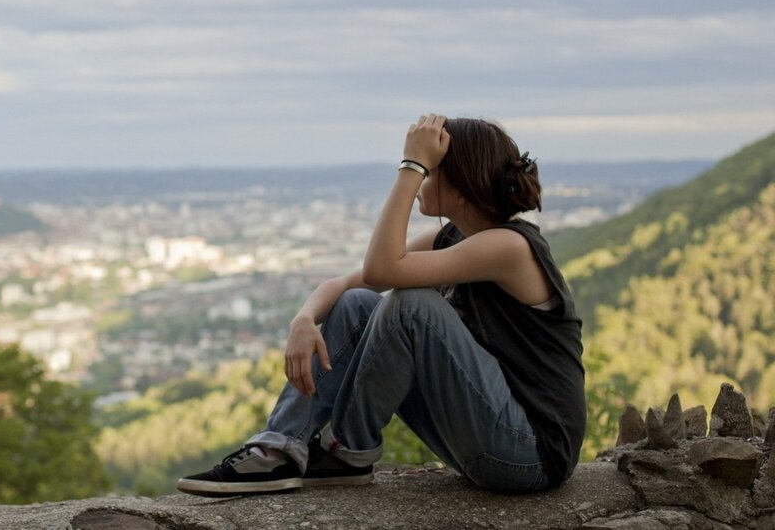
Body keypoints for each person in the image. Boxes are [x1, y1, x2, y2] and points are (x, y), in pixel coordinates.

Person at [176, 114, 585, 496]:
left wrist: (411, 165)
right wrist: (304, 319)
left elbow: (383, 268)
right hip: (488, 437)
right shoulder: (454, 238)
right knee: (356, 303)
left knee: (412, 305)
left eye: (431, 172)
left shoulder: (510, 246)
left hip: (531, 454)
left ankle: (345, 452)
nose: (421, 180)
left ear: (459, 188)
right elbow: (354, 281)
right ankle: (277, 448)